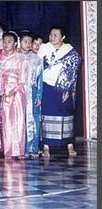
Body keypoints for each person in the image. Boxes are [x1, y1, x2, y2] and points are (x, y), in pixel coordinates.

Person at [37, 26, 81, 157]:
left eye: (55, 35)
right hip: (46, 87)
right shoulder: (44, 48)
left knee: (65, 115)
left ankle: (70, 146)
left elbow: (72, 72)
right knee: (46, 114)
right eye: (51, 34)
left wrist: (67, 88)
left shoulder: (70, 51)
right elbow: (37, 67)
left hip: (62, 88)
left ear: (63, 37)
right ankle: (46, 147)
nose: (52, 37)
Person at [0, 31, 27, 159]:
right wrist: (2, 92)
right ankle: (8, 151)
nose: (6, 44)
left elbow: (24, 78)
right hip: (5, 92)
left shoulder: (21, 58)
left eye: (9, 41)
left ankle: (19, 150)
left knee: (18, 120)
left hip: (17, 93)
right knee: (6, 121)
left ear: (15, 43)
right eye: (4, 42)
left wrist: (14, 90)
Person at [20, 31, 44, 159]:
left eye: (30, 42)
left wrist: (39, 96)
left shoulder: (37, 59)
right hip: (19, 93)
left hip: (33, 92)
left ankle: (33, 148)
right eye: (25, 41)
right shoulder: (16, 57)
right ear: (20, 42)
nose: (28, 44)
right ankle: (21, 148)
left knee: (34, 121)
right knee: (20, 120)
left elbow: (40, 78)